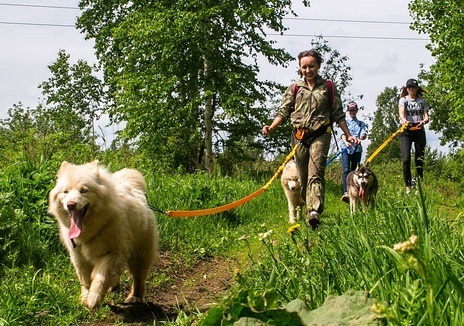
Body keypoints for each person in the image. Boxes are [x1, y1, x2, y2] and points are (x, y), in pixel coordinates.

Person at [262, 50, 358, 230]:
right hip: (299, 137)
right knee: (303, 177)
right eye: (304, 67)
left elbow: (337, 113)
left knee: (316, 173)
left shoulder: (328, 87)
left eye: (311, 66)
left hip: (321, 134)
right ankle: (308, 211)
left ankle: (315, 211)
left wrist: (347, 134)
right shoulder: (294, 88)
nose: (308, 70)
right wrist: (272, 126)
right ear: (299, 68)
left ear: (318, 66)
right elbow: (283, 111)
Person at [398, 78, 429, 194]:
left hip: (419, 130)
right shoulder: (403, 100)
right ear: (407, 89)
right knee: (406, 159)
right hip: (406, 131)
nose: (411, 89)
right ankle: (407, 185)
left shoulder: (422, 101)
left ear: (416, 89)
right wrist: (404, 120)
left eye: (413, 87)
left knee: (419, 158)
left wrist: (424, 122)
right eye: (409, 87)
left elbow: (426, 116)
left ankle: (419, 184)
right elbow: (401, 112)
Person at [340, 101, 367, 203]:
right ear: (348, 111)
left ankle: (355, 190)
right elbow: (342, 134)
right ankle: (346, 191)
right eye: (350, 110)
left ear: (356, 111)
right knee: (346, 169)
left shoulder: (361, 124)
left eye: (354, 110)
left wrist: (361, 138)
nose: (352, 112)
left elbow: (363, 134)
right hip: (345, 148)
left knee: (355, 170)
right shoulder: (344, 123)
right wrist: (346, 142)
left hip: (357, 149)